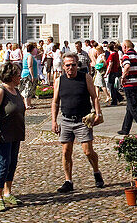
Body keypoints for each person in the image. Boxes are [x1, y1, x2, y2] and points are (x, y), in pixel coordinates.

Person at [51, 51, 105, 193]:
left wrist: (98, 113)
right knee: (66, 151)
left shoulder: (85, 78)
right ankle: (68, 180)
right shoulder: (59, 81)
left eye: (73, 65)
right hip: (66, 120)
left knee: (88, 151)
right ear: (63, 66)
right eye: (68, 65)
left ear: (77, 65)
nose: (71, 68)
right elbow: (55, 102)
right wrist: (54, 121)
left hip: (83, 120)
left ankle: (96, 171)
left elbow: (94, 97)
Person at [0, 62, 25, 211]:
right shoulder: (1, 91)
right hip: (3, 134)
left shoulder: (16, 91)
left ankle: (8, 192)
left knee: (12, 163)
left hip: (16, 133)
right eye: (17, 74)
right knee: (3, 164)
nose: (19, 77)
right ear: (10, 76)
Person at [117, 42, 137, 134]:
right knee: (130, 107)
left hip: (130, 83)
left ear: (125, 47)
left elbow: (127, 66)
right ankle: (125, 128)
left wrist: (123, 77)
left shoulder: (126, 56)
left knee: (133, 107)